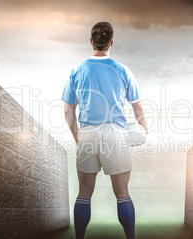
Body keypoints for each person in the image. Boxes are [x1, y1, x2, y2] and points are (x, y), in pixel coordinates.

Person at [61, 22, 147, 239]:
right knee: (122, 194)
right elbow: (137, 106)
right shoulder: (122, 70)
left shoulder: (76, 71)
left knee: (84, 194)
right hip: (115, 134)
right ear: (111, 43)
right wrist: (144, 131)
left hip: (87, 133)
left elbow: (68, 110)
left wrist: (77, 137)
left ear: (91, 41)